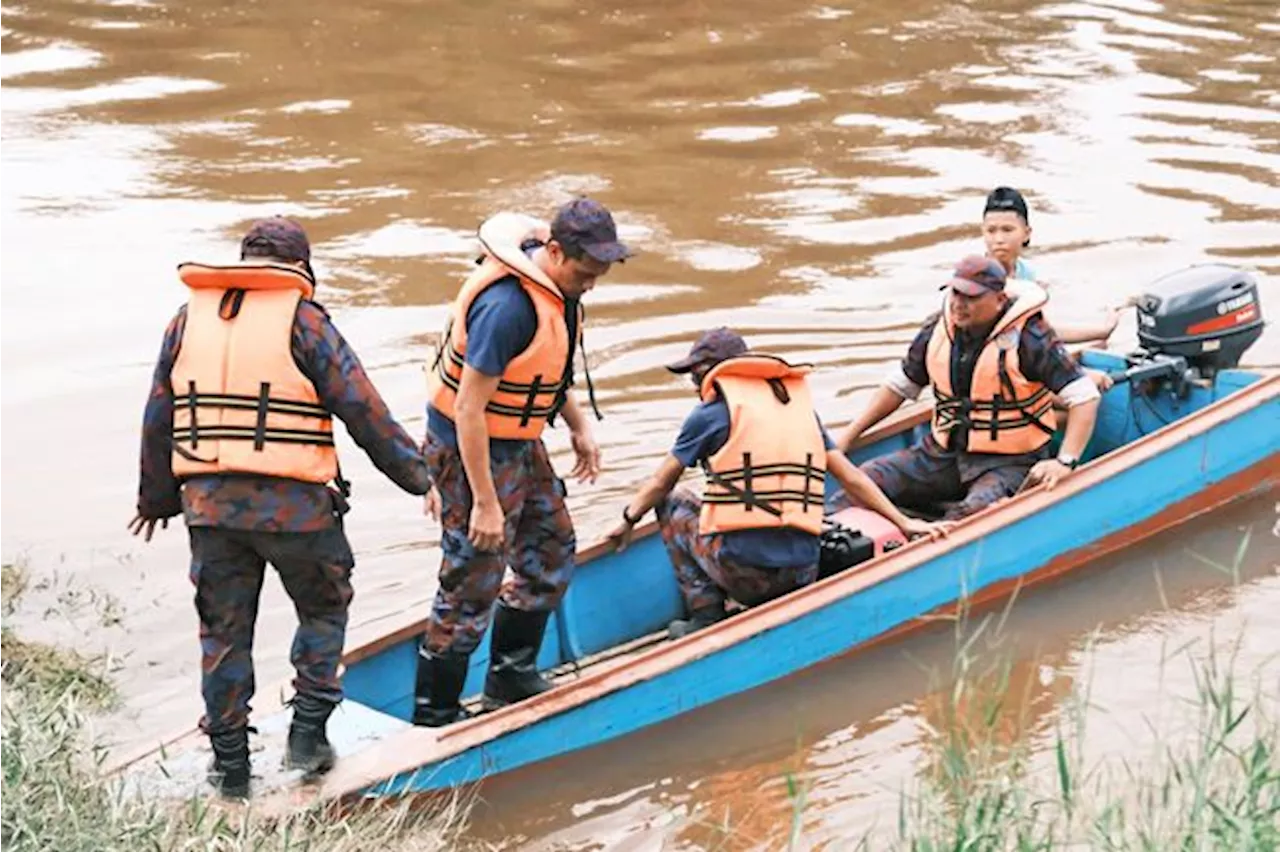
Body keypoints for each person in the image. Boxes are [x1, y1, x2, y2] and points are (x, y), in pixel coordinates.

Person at [129, 217, 433, 799]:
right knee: (322, 611)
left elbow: (159, 414)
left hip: (210, 512)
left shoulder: (185, 321)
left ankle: (230, 765)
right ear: (301, 267)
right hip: (298, 513)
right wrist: (420, 479)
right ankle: (308, 737)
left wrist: (155, 499)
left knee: (223, 633)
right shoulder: (306, 321)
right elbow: (363, 407)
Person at [413, 198, 626, 726]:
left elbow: (545, 371)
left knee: (553, 545)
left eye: (600, 273)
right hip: (471, 449)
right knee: (473, 576)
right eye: (586, 271)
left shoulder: (560, 291)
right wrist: (485, 502)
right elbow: (468, 408)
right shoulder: (507, 307)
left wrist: (578, 425)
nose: (592, 283)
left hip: (518, 443)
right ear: (554, 251)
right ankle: (434, 713)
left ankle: (510, 674)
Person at [606, 328, 949, 639]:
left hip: (746, 577)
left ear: (719, 372)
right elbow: (851, 476)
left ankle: (706, 614)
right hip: (803, 569)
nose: (696, 385)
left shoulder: (706, 416)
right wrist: (905, 523)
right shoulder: (798, 410)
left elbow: (659, 482)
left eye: (697, 374)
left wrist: (626, 520)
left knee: (673, 501)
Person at [831, 255, 1100, 522]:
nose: (959, 304)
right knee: (864, 480)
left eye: (971, 297)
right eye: (956, 294)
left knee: (970, 517)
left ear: (999, 300)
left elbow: (1084, 397)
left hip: (1010, 461)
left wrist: (1065, 461)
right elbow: (900, 386)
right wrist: (847, 437)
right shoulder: (937, 330)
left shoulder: (1031, 339)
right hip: (940, 455)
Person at [981, 186, 1137, 389]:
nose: (999, 239)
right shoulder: (979, 279)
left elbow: (1041, 332)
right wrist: (1081, 374)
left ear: (1026, 234)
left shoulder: (1026, 274)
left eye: (1007, 230)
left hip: (1022, 363)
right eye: (991, 231)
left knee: (1097, 357)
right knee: (1087, 392)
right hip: (996, 372)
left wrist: (1101, 332)